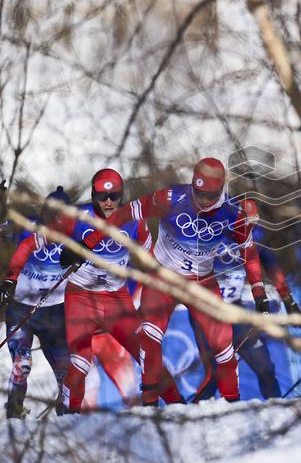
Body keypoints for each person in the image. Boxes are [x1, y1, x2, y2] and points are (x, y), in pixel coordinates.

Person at [77, 158, 265, 405]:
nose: (204, 201)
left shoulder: (233, 213)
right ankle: (150, 402)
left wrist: (259, 292)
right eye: (199, 194)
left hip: (200, 282)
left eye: (210, 196)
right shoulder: (170, 198)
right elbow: (124, 214)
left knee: (223, 345)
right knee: (150, 336)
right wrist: (87, 244)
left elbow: (248, 253)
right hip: (162, 277)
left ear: (221, 190)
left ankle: (233, 401)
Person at [56, 169, 183, 412]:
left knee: (148, 354)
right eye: (102, 196)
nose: (108, 202)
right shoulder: (78, 217)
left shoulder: (135, 221)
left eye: (114, 196)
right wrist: (65, 254)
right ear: (93, 195)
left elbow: (149, 262)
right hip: (81, 297)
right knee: (81, 362)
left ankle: (180, 406)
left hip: (116, 299)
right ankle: (68, 416)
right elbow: (48, 244)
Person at [0, 186, 73, 418]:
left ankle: (68, 414)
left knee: (65, 370)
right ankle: (14, 412)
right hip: (22, 309)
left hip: (56, 313)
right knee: (22, 363)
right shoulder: (28, 226)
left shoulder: (78, 232)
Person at [213, 225, 301, 400]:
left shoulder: (253, 238)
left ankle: (276, 408)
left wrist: (288, 300)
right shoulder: (211, 235)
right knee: (215, 376)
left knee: (266, 369)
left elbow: (272, 266)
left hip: (235, 311)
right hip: (207, 316)